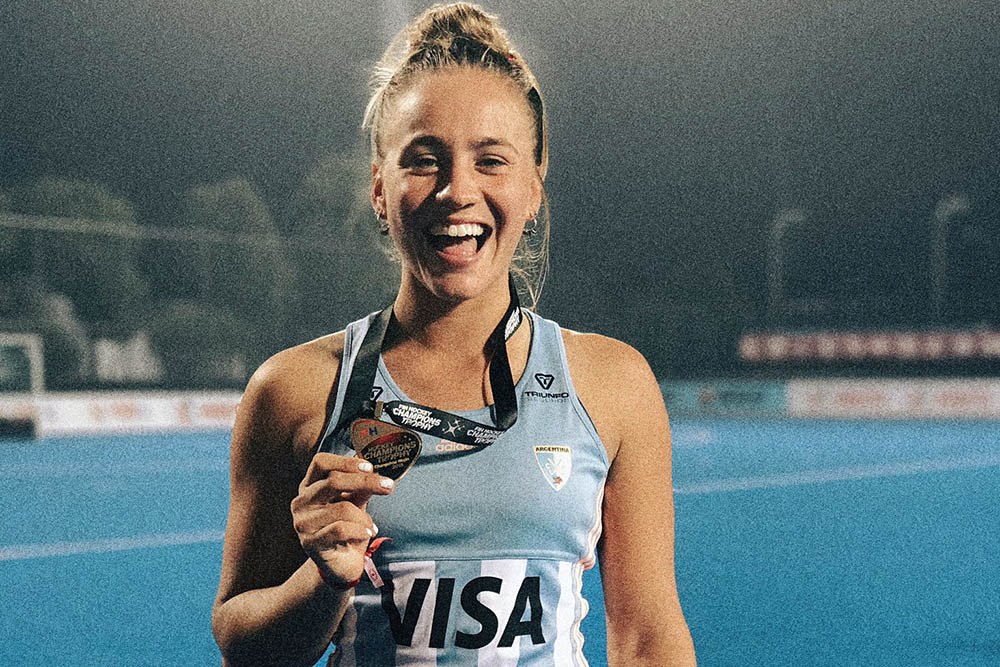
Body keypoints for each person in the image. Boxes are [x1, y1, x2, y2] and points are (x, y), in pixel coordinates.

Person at [212, 3, 696, 665]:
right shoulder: (293, 390)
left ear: (533, 190)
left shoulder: (614, 383)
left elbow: (647, 637)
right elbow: (244, 648)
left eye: (491, 160)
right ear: (379, 189)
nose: (456, 191)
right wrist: (322, 579)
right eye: (424, 160)